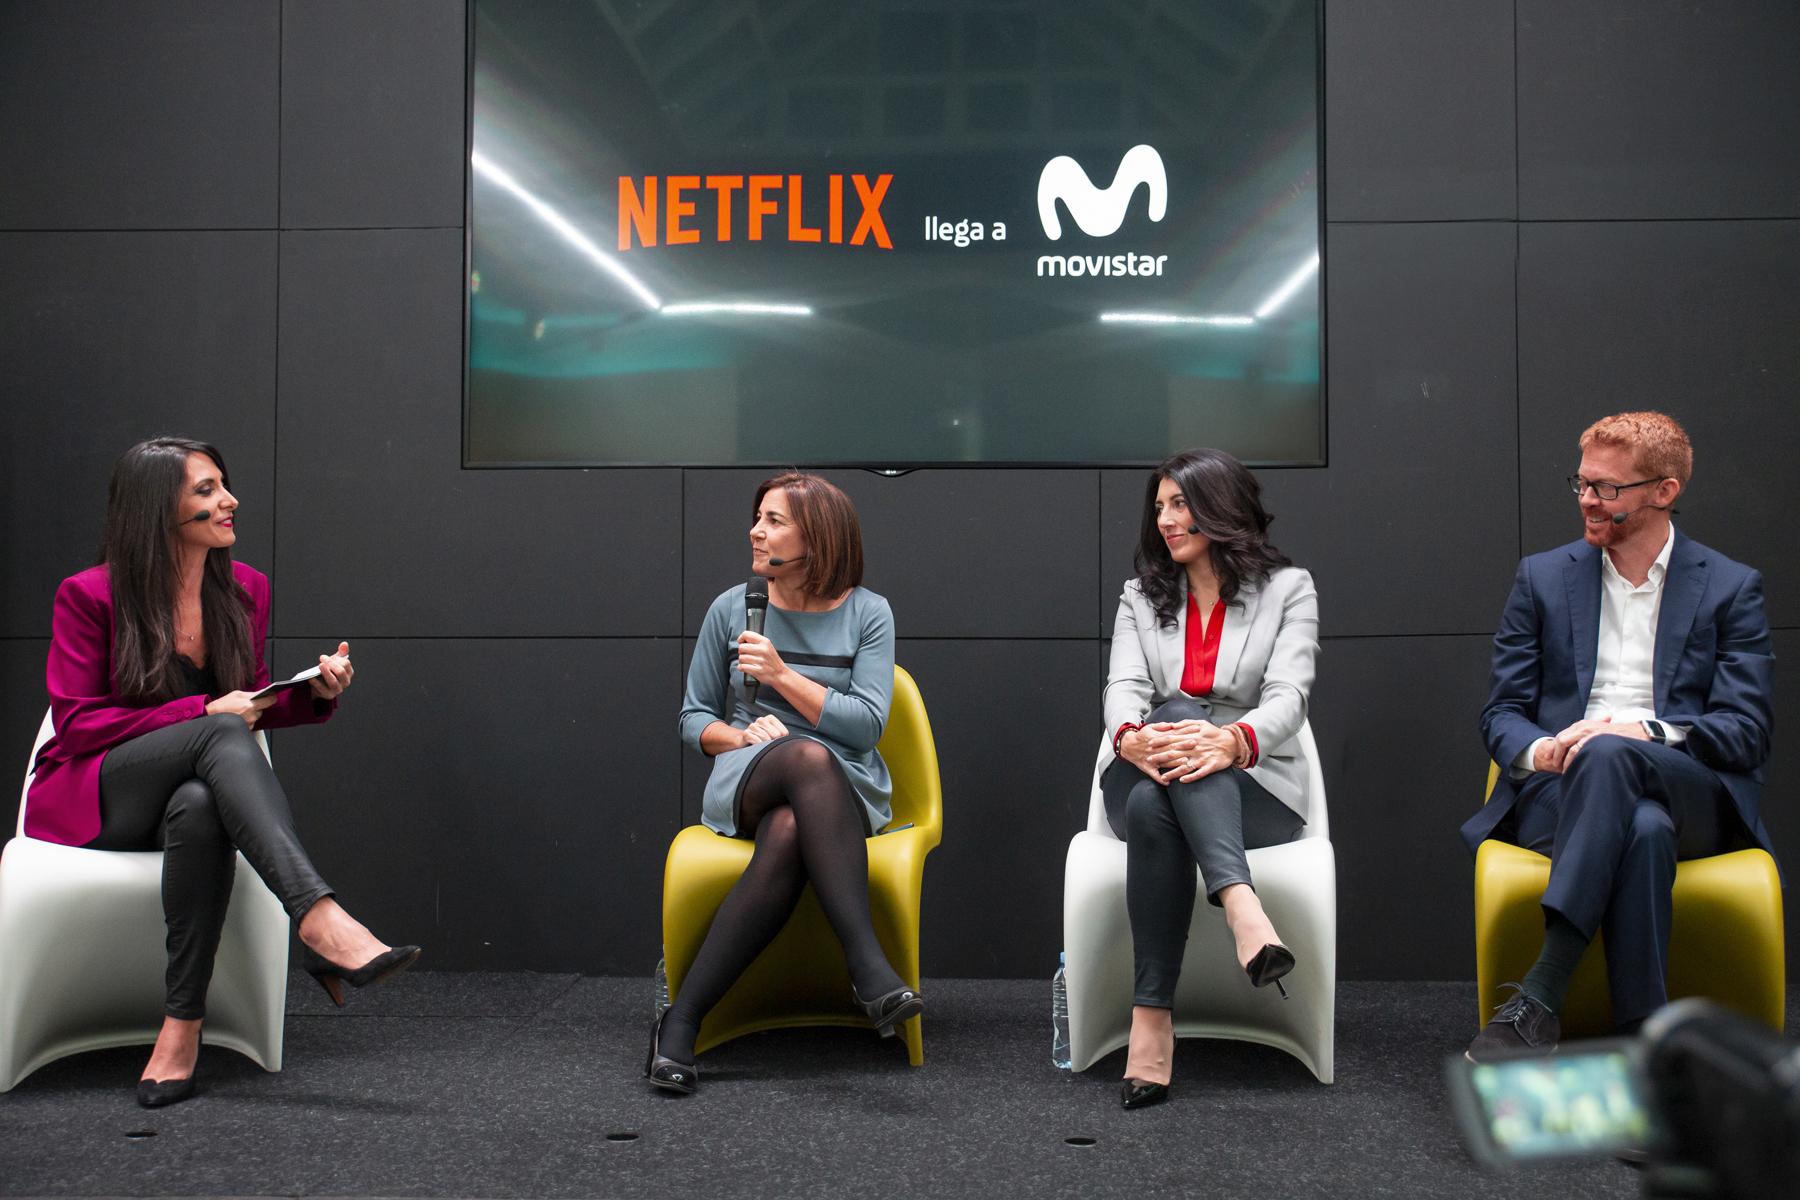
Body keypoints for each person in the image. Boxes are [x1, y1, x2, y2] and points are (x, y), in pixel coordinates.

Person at [25, 437, 420, 1107]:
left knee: (202, 805)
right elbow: (79, 724)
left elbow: (252, 702)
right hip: (99, 795)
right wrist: (203, 710)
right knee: (214, 730)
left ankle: (180, 1031)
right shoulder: (89, 595)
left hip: (185, 795)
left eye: (223, 485)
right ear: (156, 511)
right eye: (205, 490)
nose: (229, 500)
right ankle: (318, 919)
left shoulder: (244, 590)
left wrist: (316, 693)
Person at [1462, 412, 1774, 1062]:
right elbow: (1502, 714)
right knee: (1644, 828)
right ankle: (1646, 1054)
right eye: (1580, 483)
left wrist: (1645, 730)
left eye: (1606, 489)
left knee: (1615, 756)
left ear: (1663, 491)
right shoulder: (1542, 579)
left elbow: (1745, 732)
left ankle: (1541, 995)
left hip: (1692, 790)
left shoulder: (1729, 588)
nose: (1587, 500)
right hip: (1564, 789)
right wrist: (1543, 750)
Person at [649, 472, 916, 1095]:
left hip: (841, 783)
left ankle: (680, 1024)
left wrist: (782, 674)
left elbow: (868, 726)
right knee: (803, 760)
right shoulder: (732, 607)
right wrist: (740, 738)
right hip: (750, 773)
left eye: (774, 520)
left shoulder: (868, 613)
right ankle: (869, 967)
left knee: (798, 812)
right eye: (758, 516)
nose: (755, 530)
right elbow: (693, 719)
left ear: (817, 537)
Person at [1099, 448, 1319, 1109]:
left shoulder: (1289, 589)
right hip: (1152, 759)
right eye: (1159, 506)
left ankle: (1150, 1021)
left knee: (1150, 811)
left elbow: (1288, 694)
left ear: (1222, 508)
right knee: (1171, 714)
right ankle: (1243, 908)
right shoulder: (1142, 596)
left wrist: (1231, 740)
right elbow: (1124, 688)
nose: (1166, 519)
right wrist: (1133, 737)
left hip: (1257, 786)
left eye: (1180, 504)